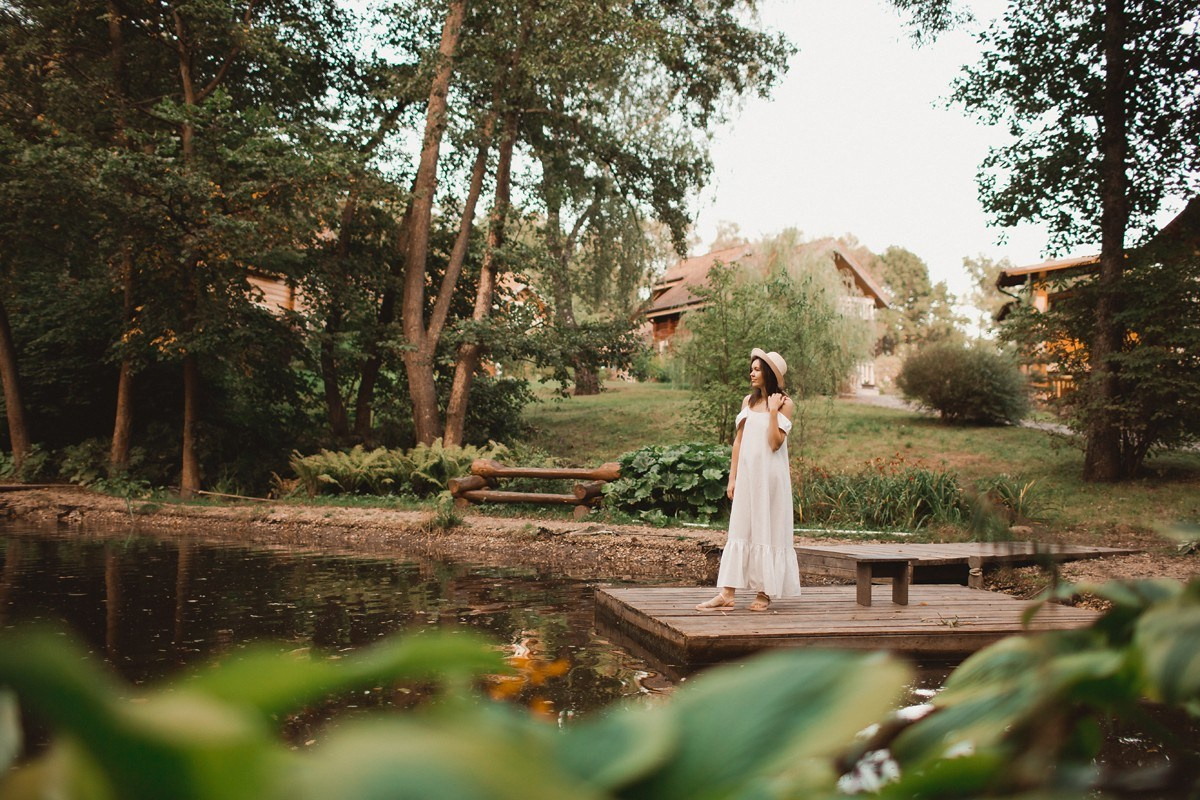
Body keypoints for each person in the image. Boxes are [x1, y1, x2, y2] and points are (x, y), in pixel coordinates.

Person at [695, 348, 801, 612]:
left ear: (768, 373)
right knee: (740, 528)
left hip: (771, 478)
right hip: (747, 476)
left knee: (767, 527)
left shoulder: (785, 403)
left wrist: (774, 411)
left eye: (756, 369)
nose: (751, 373)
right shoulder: (747, 402)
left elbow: (775, 443)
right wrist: (732, 478)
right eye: (751, 368)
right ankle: (727, 593)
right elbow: (738, 441)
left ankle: (764, 592)